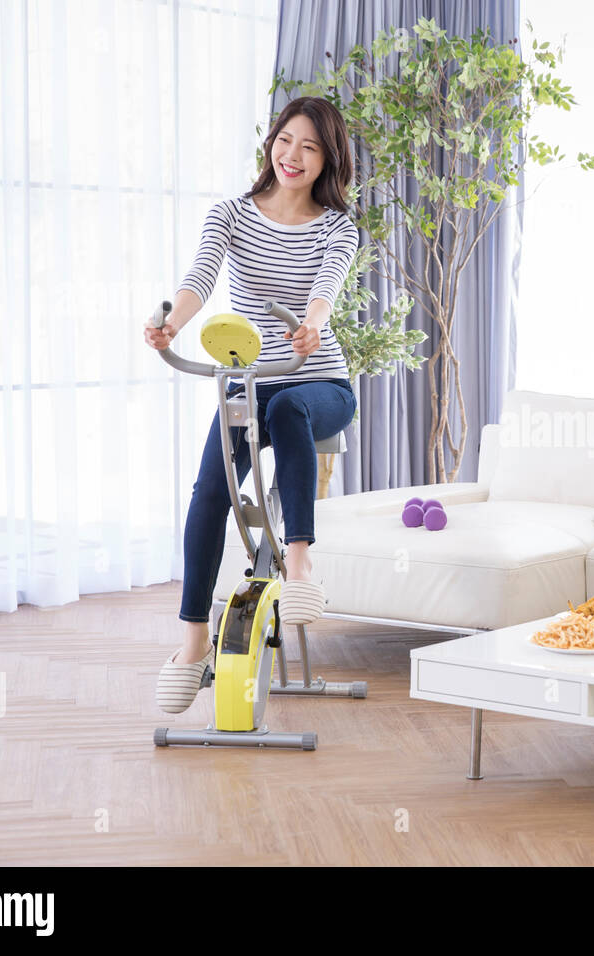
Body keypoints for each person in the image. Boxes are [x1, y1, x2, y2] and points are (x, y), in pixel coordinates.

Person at [144, 96, 360, 714]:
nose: (293, 156)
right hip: (247, 383)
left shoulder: (336, 226)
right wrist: (170, 324)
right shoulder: (231, 215)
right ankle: (192, 645)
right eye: (285, 140)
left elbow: (327, 288)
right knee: (210, 492)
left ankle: (299, 565)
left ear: (328, 161)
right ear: (272, 144)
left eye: (310, 147)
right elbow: (199, 278)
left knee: (290, 409)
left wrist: (312, 324)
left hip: (318, 383)